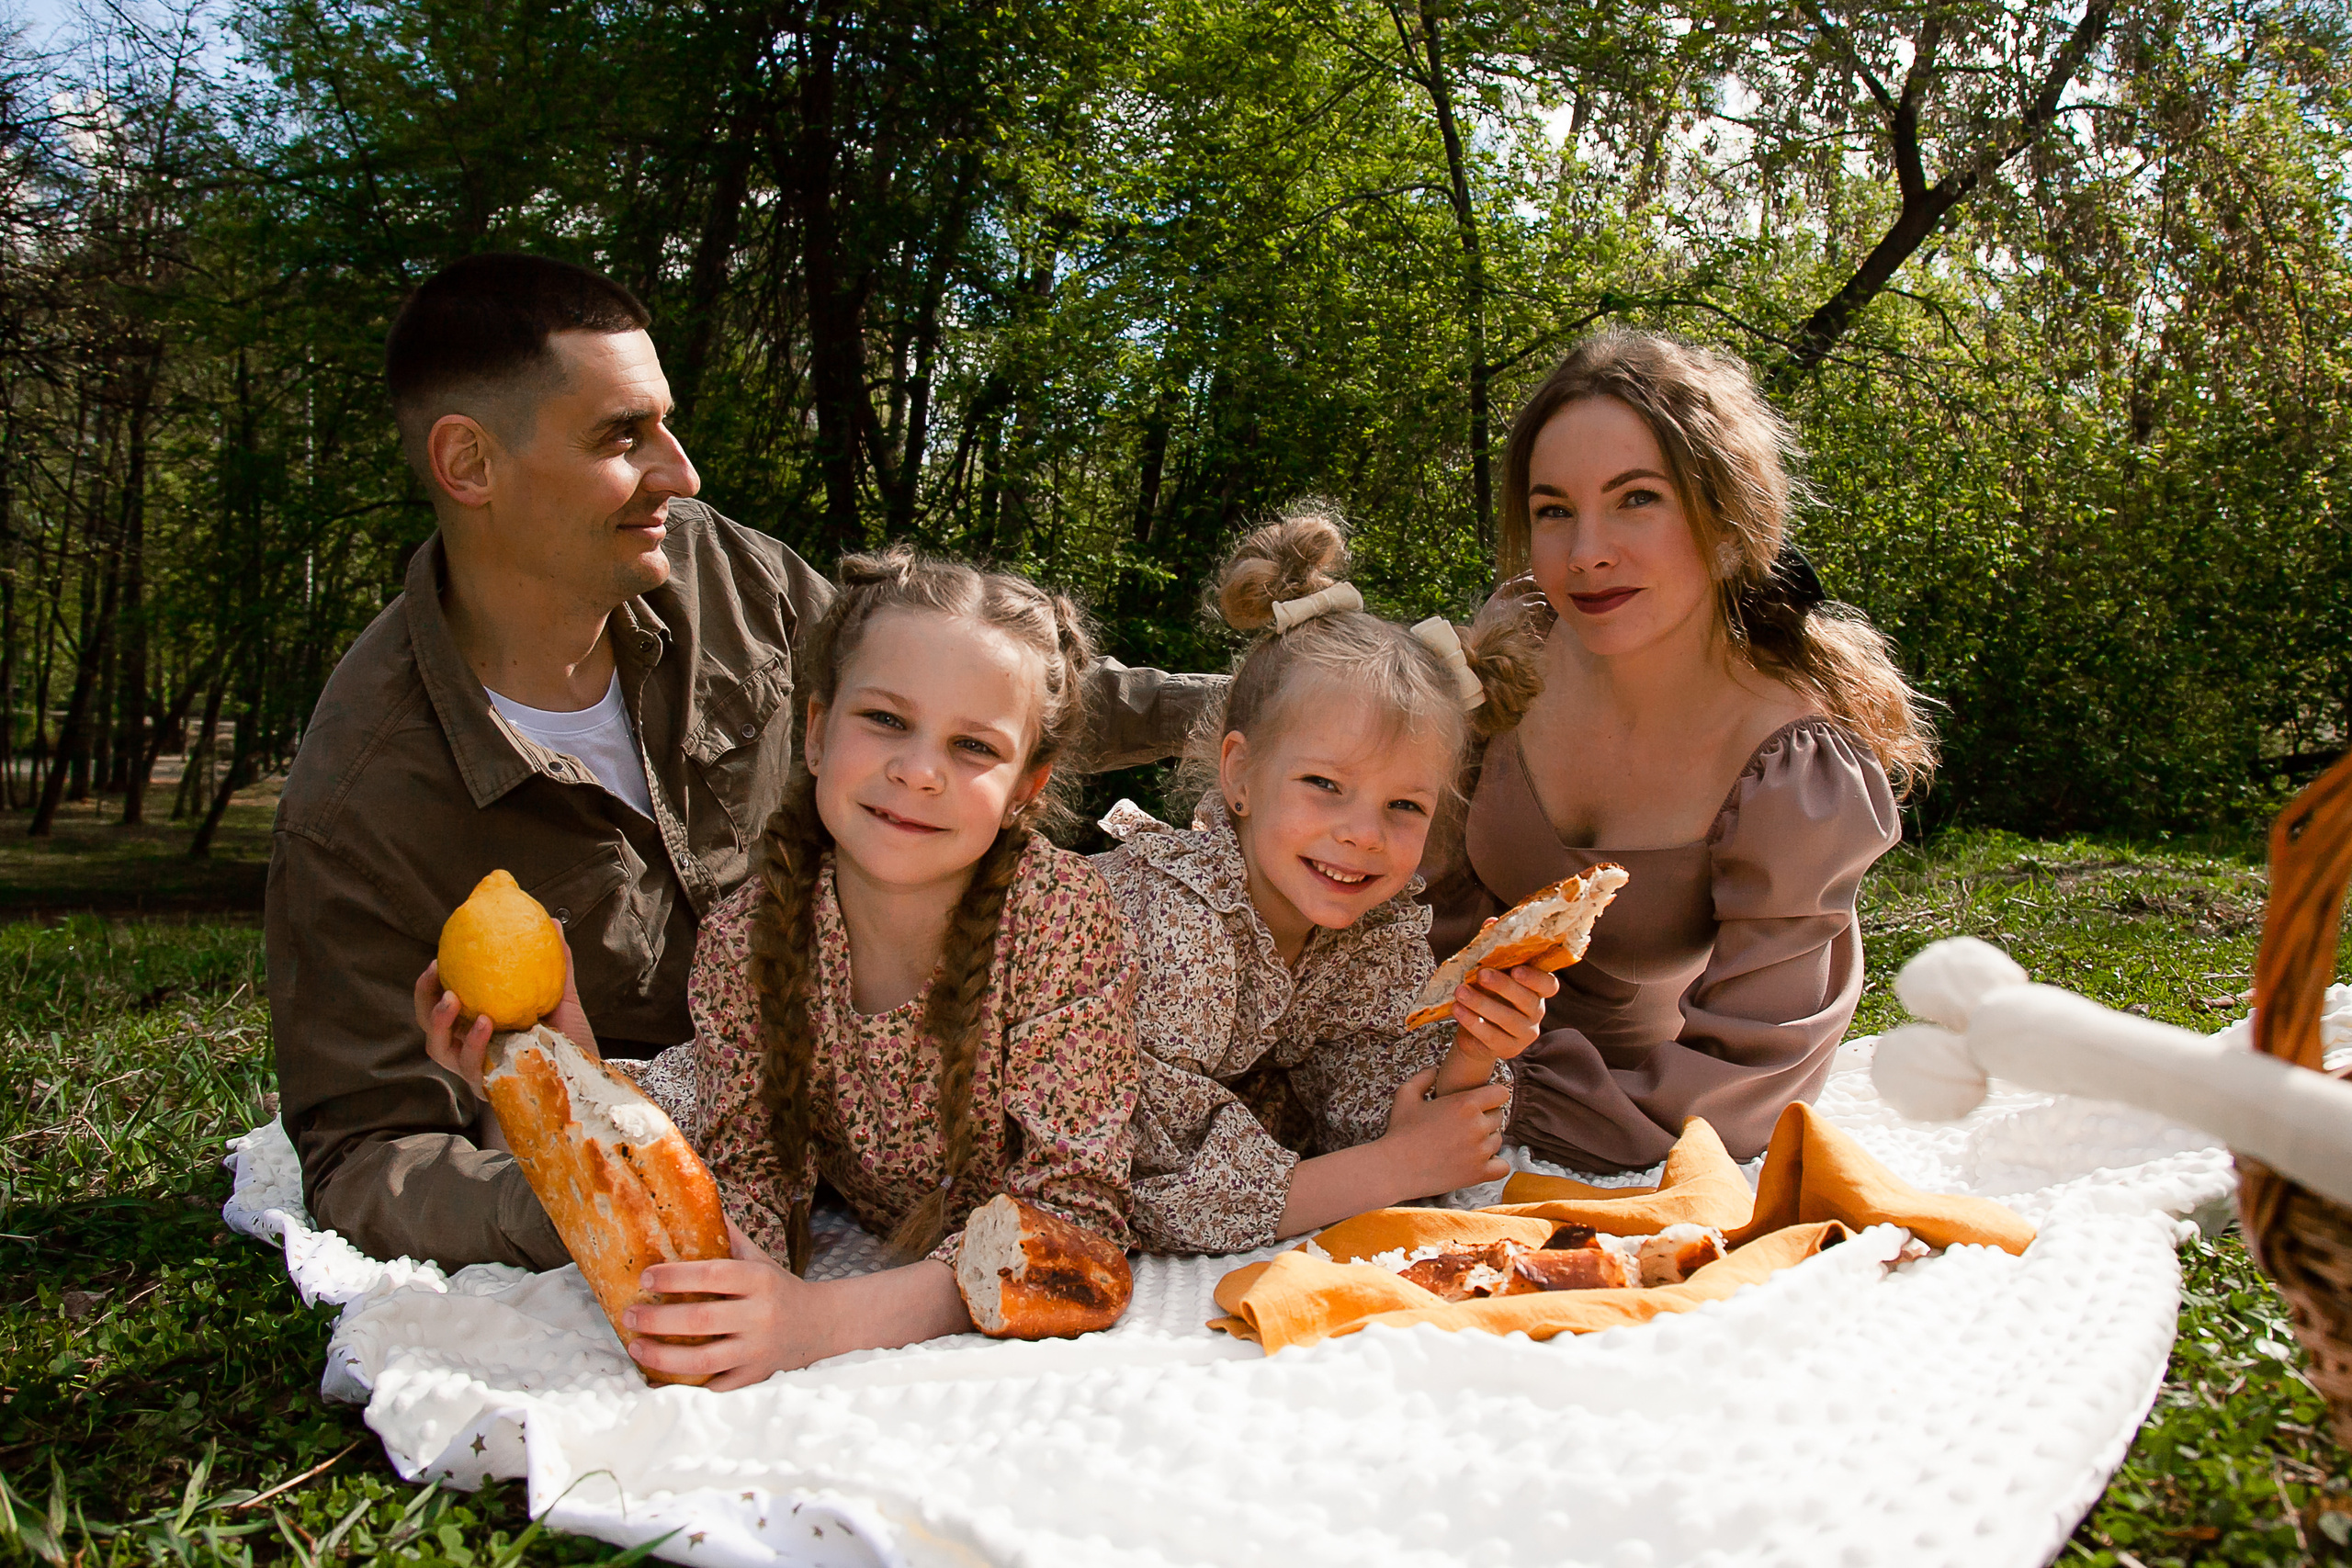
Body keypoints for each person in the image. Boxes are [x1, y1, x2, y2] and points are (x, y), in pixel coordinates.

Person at [271, 254, 1213, 1272]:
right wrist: (591, 1189)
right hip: (683, 1123)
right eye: (621, 437)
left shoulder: (716, 571)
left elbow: (979, 694)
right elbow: (365, 1154)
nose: (680, 472)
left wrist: (1260, 710)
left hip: (878, 1085)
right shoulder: (362, 800)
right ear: (469, 463)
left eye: (665, 424)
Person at [424, 547, 1136, 1387]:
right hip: (860, 1182)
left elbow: (1076, 1225)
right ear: (815, 731)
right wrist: (551, 1074)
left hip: (1125, 1144)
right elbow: (748, 1177)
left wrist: (823, 1322)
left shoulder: (1065, 923)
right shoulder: (751, 940)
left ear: (1026, 787)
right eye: (885, 719)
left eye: (974, 745)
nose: (918, 770)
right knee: (657, 1110)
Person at [1420, 330, 1932, 1174]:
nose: (1587, 554)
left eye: (1636, 499)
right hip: (1419, 1087)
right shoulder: (1501, 666)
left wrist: (1506, 1094)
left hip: (1624, 1122)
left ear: (1728, 521)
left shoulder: (1795, 763)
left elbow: (1749, 1079)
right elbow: (1418, 918)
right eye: (1554, 511)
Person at [1094, 504, 1556, 1255]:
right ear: (1239, 774)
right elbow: (1146, 1182)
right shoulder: (1177, 921)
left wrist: (1471, 1048)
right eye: (1325, 784)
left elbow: (1378, 1092)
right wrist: (1391, 1168)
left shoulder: (1367, 928)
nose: (1364, 834)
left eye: (1403, 804)